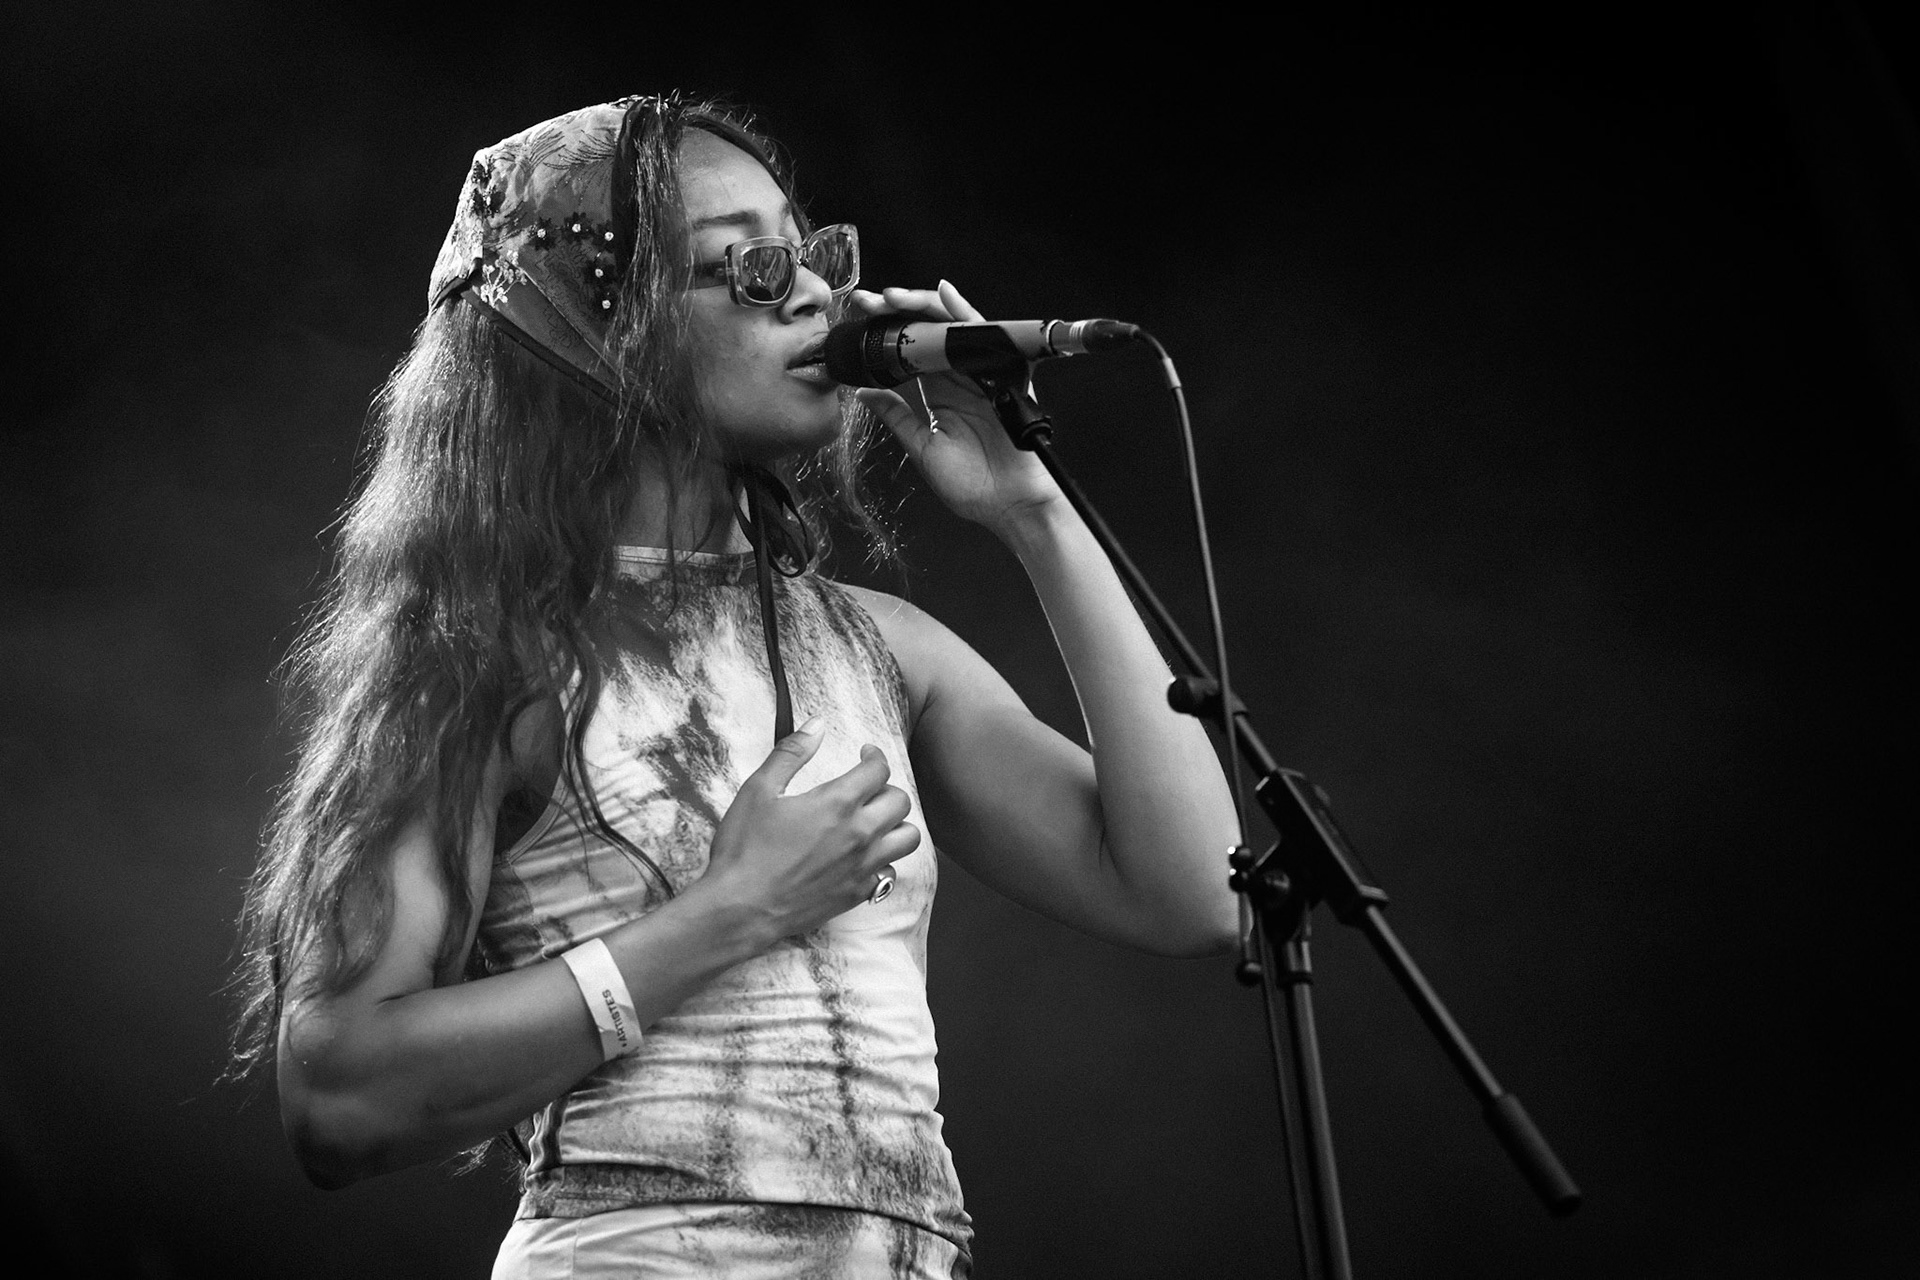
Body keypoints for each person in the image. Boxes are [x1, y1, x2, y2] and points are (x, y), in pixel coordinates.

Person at [230, 93, 1240, 1279]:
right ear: (594, 330)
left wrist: (1034, 513)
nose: (816, 292)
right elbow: (340, 1094)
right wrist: (732, 912)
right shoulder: (478, 656)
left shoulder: (882, 648)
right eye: (746, 268)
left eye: (808, 252)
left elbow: (1191, 893)